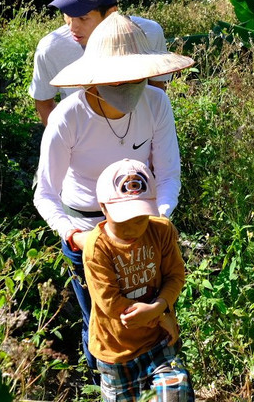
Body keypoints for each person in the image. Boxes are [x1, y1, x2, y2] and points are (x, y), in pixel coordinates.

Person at [33, 12, 194, 377]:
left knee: (154, 313)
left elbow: (168, 174)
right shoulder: (68, 117)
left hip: (142, 222)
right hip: (87, 228)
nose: (128, 88)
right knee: (103, 324)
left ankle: (159, 384)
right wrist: (75, 235)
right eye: (118, 80)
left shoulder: (155, 103)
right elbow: (45, 192)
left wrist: (156, 221)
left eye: (135, 78)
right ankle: (107, 385)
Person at [81, 159, 193, 402]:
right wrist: (160, 316)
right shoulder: (97, 247)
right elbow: (111, 303)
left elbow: (175, 275)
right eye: (123, 221)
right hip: (116, 351)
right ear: (103, 207)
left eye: (140, 219)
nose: (132, 229)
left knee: (175, 393)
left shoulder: (161, 231)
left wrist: (160, 306)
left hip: (159, 342)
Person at [29, 0, 171, 125]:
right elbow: (44, 104)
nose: (73, 26)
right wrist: (63, 137)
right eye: (67, 14)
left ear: (111, 13)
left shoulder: (149, 33)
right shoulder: (51, 49)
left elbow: (157, 91)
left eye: (83, 18)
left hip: (140, 134)